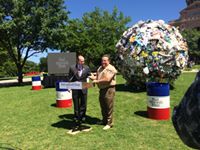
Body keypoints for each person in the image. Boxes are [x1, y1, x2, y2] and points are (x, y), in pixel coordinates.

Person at [89, 54, 117, 130]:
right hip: (102, 89)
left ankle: (109, 123)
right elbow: (97, 77)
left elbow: (107, 79)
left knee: (109, 106)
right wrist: (92, 77)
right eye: (102, 60)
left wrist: (96, 81)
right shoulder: (100, 68)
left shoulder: (111, 68)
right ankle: (104, 121)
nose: (103, 62)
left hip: (109, 89)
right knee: (103, 106)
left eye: (105, 60)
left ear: (109, 61)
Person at [68, 55, 91, 134]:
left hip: (84, 88)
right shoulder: (72, 68)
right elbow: (70, 78)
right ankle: (76, 120)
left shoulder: (87, 67)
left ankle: (82, 118)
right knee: (76, 105)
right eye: (81, 61)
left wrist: (95, 78)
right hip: (75, 88)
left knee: (84, 104)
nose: (83, 62)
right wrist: (69, 86)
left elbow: (90, 75)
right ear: (77, 61)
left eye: (83, 61)